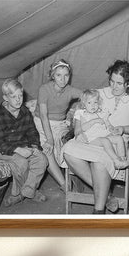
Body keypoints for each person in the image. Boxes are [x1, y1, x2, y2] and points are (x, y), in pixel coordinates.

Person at [63, 60, 129, 215]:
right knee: (68, 150)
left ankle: (98, 211)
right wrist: (78, 130)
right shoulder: (100, 93)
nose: (113, 86)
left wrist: (123, 129)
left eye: (119, 83)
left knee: (99, 163)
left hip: (114, 144)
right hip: (90, 138)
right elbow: (80, 109)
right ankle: (107, 195)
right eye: (112, 81)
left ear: (128, 83)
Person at [0, 79, 48, 207]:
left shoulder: (25, 111)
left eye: (20, 96)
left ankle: (28, 191)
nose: (18, 100)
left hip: (22, 144)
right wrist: (17, 149)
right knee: (21, 162)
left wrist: (33, 146)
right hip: (1, 148)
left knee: (42, 160)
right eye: (13, 97)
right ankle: (16, 194)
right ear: (5, 97)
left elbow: (32, 131)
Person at [34, 59, 82, 190]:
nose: (63, 79)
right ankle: (64, 185)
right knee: (47, 148)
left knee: (67, 142)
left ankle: (77, 178)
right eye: (59, 75)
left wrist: (78, 113)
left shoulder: (70, 90)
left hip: (60, 123)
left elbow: (88, 96)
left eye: (66, 75)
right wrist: (49, 139)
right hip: (41, 123)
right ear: (52, 76)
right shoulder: (44, 89)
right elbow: (43, 116)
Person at [74, 89, 129, 170]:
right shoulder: (83, 114)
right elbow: (83, 128)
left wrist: (112, 129)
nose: (93, 105)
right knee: (105, 141)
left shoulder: (101, 113)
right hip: (91, 139)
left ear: (99, 103)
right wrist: (94, 121)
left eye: (95, 102)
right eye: (89, 103)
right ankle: (116, 161)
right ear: (84, 104)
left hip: (103, 135)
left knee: (119, 138)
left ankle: (122, 159)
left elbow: (108, 124)